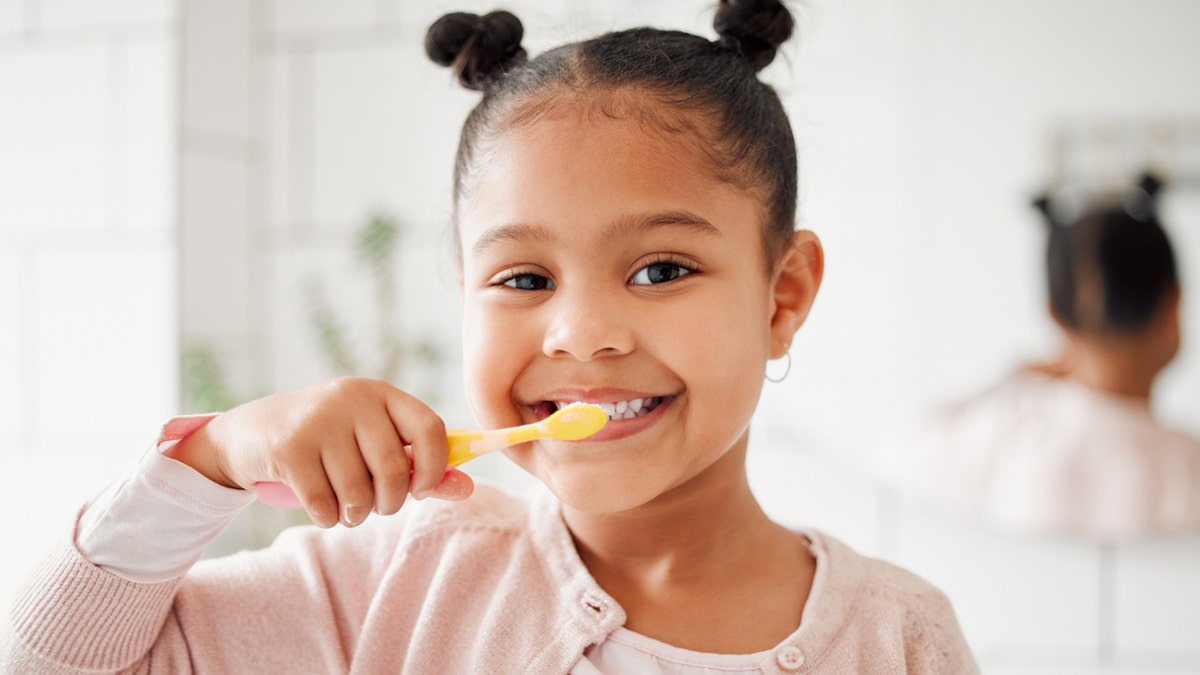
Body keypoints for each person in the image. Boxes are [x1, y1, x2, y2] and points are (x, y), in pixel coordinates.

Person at [5, 3, 976, 673]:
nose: (584, 333)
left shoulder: (898, 636)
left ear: (783, 294)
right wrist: (210, 462)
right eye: (524, 279)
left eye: (660, 270)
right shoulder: (389, 586)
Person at [874, 174, 1200, 538]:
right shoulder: (1189, 466)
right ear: (1175, 305)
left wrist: (1012, 378)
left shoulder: (1002, 434)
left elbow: (892, 453)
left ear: (1055, 314)